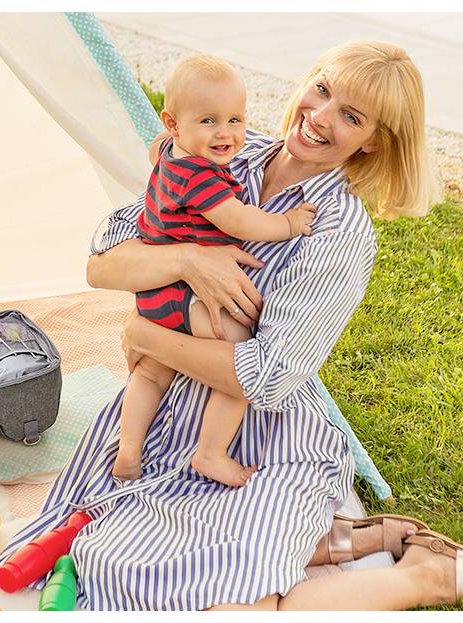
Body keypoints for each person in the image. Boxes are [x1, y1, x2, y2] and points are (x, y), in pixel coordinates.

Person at [0, 41, 463, 610]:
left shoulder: (336, 233)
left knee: (216, 602)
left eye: (351, 116)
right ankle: (340, 543)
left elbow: (267, 380)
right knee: (107, 560)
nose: (320, 116)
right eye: (322, 90)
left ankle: (422, 577)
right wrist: (184, 260)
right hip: (169, 412)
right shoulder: (226, 149)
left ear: (373, 140)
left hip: (259, 435)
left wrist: (148, 336)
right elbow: (103, 260)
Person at [113, 55, 317, 487]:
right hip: (185, 293)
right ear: (173, 123)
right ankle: (210, 452)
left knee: (151, 371)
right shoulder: (202, 176)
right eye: (208, 120)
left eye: (235, 119)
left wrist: (187, 132)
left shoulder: (169, 152)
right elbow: (239, 220)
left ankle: (128, 450)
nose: (225, 133)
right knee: (242, 357)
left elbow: (154, 149)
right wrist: (288, 223)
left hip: (155, 294)